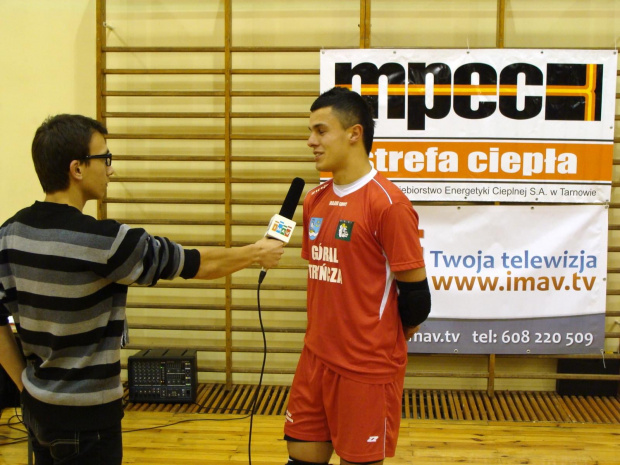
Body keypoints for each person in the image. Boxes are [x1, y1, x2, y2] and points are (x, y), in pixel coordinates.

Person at [0, 114, 285, 464]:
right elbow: (193, 264)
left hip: (37, 411)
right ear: (77, 169)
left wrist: (25, 389)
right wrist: (256, 253)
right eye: (105, 159)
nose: (111, 170)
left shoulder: (9, 234)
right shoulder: (104, 242)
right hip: (89, 424)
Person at [283, 87, 431, 465]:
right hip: (315, 358)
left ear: (354, 134)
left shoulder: (388, 203)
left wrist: (383, 337)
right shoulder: (315, 199)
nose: (310, 141)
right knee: (299, 455)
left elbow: (416, 297)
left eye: (320, 130)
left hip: (364, 370)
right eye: (311, 131)